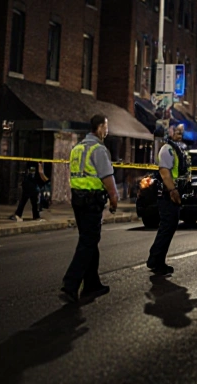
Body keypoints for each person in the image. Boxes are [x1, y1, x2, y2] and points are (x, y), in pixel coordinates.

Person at [61, 115, 119, 303]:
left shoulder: (77, 148)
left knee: (89, 239)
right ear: (100, 127)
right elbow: (106, 176)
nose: (107, 130)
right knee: (88, 242)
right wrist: (114, 197)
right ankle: (70, 286)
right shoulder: (99, 149)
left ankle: (92, 284)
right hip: (92, 200)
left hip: (78, 199)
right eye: (106, 126)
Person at [146, 123, 190, 276]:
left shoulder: (177, 149)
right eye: (176, 130)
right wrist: (173, 191)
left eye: (181, 131)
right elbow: (165, 173)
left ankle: (157, 259)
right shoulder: (167, 149)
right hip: (167, 195)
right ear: (169, 131)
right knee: (166, 228)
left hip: (172, 194)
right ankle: (155, 261)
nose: (179, 133)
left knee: (168, 229)